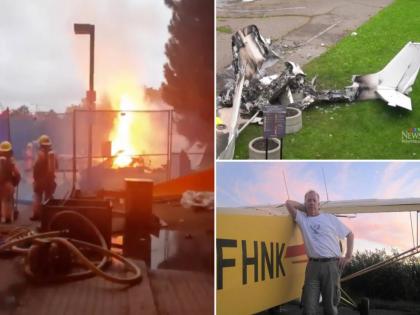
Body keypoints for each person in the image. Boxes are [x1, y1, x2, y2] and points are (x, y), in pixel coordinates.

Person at [286, 190, 354, 315]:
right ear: (305, 203)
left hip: (331, 266)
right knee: (308, 308)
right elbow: (288, 203)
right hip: (313, 266)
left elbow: (350, 234)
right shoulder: (303, 219)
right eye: (308, 200)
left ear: (319, 204)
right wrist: (306, 208)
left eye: (314, 201)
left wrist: (348, 256)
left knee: (330, 307)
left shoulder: (329, 218)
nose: (311, 203)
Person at [31, 135, 57, 221]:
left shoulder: (40, 155)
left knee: (37, 197)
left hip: (40, 180)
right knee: (49, 198)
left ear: (41, 144)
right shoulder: (53, 154)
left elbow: (36, 168)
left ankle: (36, 215)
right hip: (50, 180)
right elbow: (56, 166)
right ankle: (48, 215)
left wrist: (35, 179)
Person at [0, 141, 21, 223]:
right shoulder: (10, 161)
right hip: (7, 184)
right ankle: (7, 218)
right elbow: (17, 173)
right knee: (7, 200)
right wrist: (17, 180)